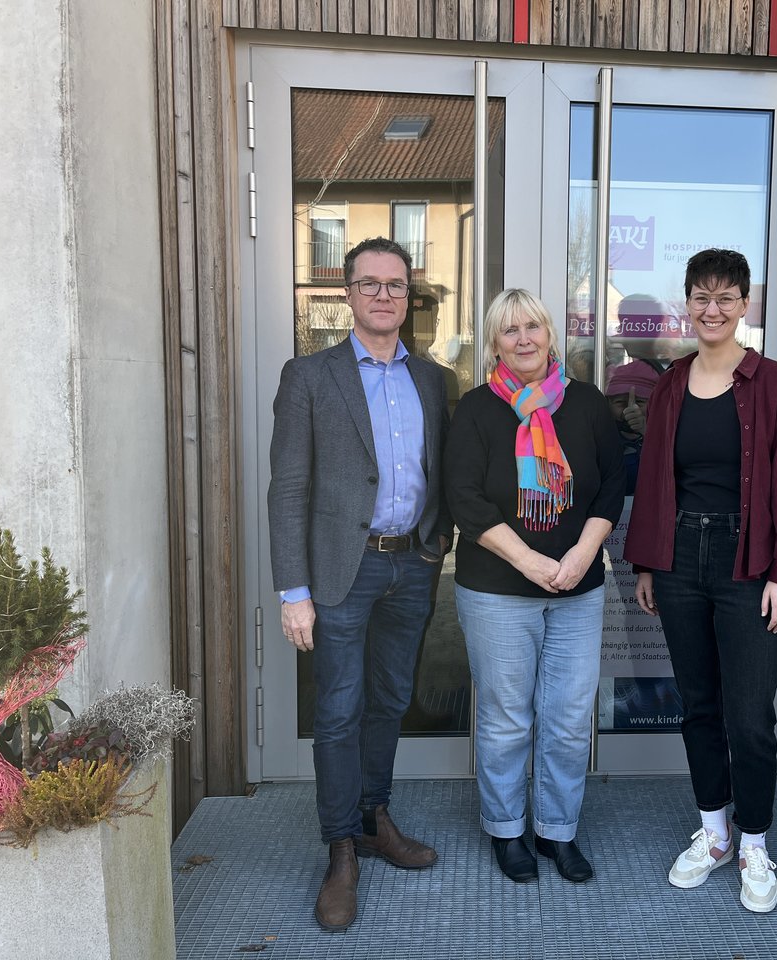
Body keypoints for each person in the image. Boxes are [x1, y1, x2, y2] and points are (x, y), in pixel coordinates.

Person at [267, 236, 453, 932]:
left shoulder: (432, 379)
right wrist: (294, 591)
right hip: (342, 570)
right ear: (347, 294)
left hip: (413, 564)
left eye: (395, 284)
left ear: (409, 296)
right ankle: (341, 847)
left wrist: (436, 545)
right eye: (369, 283)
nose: (383, 295)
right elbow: (288, 489)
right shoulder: (310, 376)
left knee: (392, 699)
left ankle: (375, 818)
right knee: (340, 709)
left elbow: (440, 471)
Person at [623, 249, 777, 915]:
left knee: (750, 715)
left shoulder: (773, 384)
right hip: (680, 559)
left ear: (743, 305)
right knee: (699, 705)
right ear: (688, 304)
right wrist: (649, 562)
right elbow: (655, 478)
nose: (712, 309)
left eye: (725, 297)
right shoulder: (671, 383)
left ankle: (755, 842)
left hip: (747, 563)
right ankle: (715, 834)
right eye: (701, 297)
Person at [445, 288, 625, 885]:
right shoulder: (476, 409)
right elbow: (464, 499)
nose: (523, 339)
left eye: (533, 327)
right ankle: (506, 829)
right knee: (506, 719)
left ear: (551, 335)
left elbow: (610, 486)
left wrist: (581, 554)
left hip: (578, 587)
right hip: (496, 590)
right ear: (494, 343)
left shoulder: (588, 404)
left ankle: (557, 830)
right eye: (509, 329)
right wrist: (528, 561)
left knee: (569, 718)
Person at [604, 359, 659, 496]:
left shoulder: (668, 436)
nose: (630, 409)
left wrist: (646, 432)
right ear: (607, 403)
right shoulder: (600, 438)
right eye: (620, 402)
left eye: (639, 402)